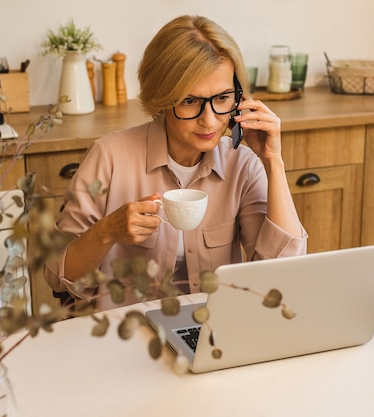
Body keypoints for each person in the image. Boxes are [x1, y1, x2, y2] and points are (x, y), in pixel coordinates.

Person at [44, 15, 308, 311]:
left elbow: (281, 279)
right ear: (163, 99)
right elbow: (58, 276)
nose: (209, 120)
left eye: (222, 98)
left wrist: (273, 161)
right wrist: (106, 232)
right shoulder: (109, 157)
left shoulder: (242, 164)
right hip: (128, 336)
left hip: (215, 331)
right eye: (189, 101)